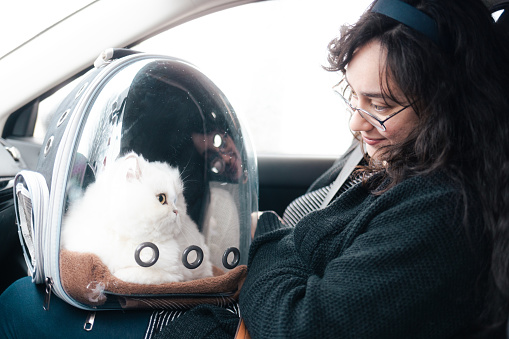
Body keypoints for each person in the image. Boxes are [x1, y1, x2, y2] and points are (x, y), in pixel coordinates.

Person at [2, 0, 509, 338]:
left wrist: (266, 240)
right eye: (351, 95)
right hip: (237, 308)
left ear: (447, 104)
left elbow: (298, 325)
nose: (357, 122)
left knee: (22, 306)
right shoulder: (397, 158)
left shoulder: (441, 214)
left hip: (235, 323)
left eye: (379, 103)